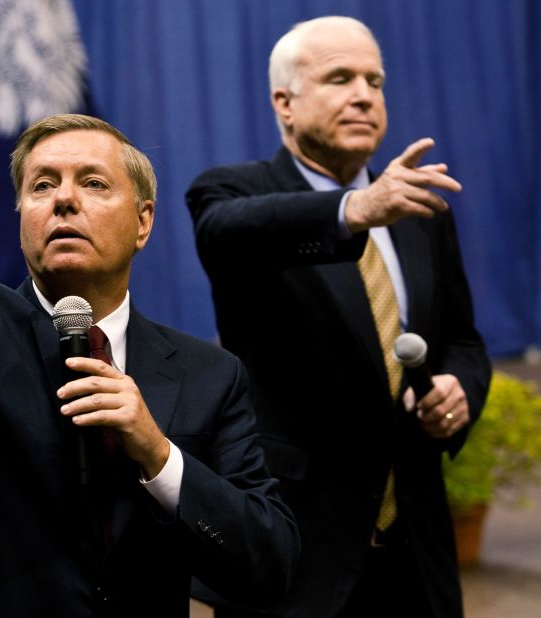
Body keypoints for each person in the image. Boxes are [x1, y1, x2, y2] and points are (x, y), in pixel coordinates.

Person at [0, 112, 299, 617]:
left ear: (143, 222)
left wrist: (158, 453)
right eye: (41, 186)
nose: (63, 199)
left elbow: (268, 562)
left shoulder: (209, 375)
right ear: (21, 221)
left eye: (94, 183)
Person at [185, 15, 491, 618]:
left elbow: (462, 339)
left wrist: (460, 389)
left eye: (375, 81)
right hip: (299, 549)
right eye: (340, 78)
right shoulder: (230, 192)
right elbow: (226, 232)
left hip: (416, 553)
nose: (363, 95)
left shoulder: (417, 207)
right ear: (285, 103)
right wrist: (353, 209)